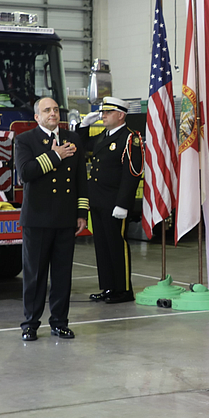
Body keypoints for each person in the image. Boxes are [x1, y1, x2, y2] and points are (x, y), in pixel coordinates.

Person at [14, 96, 89, 341]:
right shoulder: (25, 140)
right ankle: (30, 324)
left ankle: (59, 322)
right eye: (47, 110)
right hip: (37, 219)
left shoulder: (73, 139)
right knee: (35, 276)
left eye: (56, 110)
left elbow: (80, 180)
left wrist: (81, 213)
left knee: (62, 275)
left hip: (65, 218)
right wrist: (55, 156)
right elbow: (26, 173)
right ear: (37, 117)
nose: (53, 114)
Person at [81, 96, 143, 304]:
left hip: (115, 202)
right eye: (103, 112)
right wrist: (82, 126)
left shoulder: (130, 138)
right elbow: (83, 145)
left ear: (121, 115)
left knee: (117, 245)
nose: (103, 116)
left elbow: (131, 173)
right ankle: (109, 287)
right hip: (97, 200)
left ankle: (124, 289)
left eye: (108, 112)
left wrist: (123, 203)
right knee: (102, 246)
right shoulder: (103, 136)